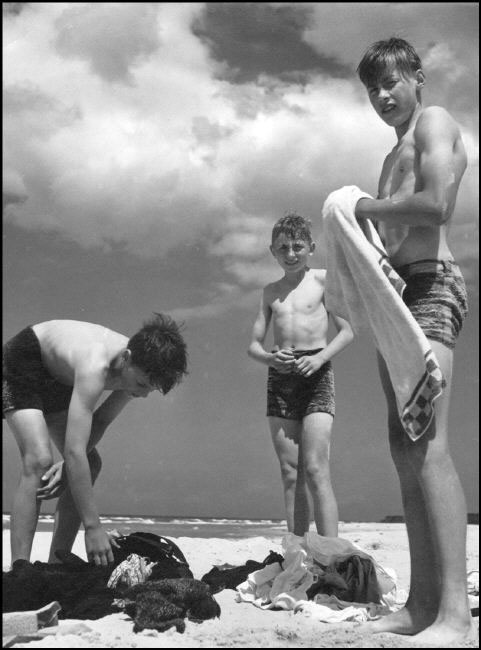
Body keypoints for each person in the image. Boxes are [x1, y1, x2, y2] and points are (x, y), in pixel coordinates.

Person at [353, 37, 473, 644]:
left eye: (390, 83)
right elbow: (381, 244)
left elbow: (437, 204)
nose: (381, 96)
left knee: (429, 444)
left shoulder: (436, 122)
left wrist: (361, 208)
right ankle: (423, 605)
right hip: (395, 299)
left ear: (417, 76)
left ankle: (455, 614)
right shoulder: (387, 155)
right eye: (371, 89)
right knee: (403, 445)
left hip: (433, 287)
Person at [3, 313, 188, 567]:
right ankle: (19, 569)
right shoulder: (95, 364)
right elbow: (74, 450)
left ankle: (58, 564)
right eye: (142, 384)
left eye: (151, 389)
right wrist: (93, 527)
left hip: (60, 378)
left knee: (89, 463)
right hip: (24, 360)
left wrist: (70, 466)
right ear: (127, 358)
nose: (143, 394)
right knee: (39, 459)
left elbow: (99, 422)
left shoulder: (135, 370)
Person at [248, 214, 353, 537]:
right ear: (272, 251)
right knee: (290, 472)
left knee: (316, 467)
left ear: (311, 247)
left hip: (317, 374)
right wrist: (269, 358)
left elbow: (348, 331)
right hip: (280, 377)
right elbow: (253, 345)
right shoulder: (270, 292)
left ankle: (331, 553)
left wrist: (320, 358)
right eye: (282, 248)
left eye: (297, 246)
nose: (290, 254)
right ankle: (298, 551)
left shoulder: (323, 281)